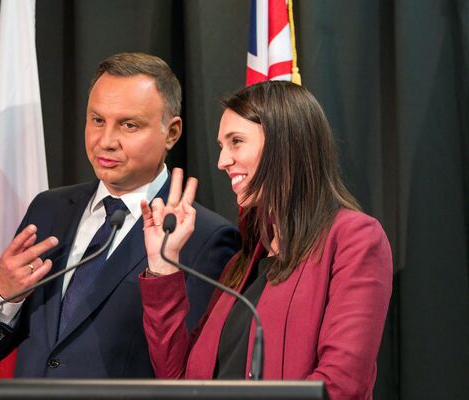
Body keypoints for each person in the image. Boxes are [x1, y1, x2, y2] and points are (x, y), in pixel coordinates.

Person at [0, 52, 240, 378]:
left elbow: (186, 373)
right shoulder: (49, 209)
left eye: (129, 125)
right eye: (97, 120)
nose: (105, 141)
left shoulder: (205, 237)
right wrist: (3, 293)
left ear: (172, 132)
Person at [139, 81, 393, 399]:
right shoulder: (242, 262)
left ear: (285, 144)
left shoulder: (355, 239)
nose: (222, 161)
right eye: (221, 146)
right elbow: (178, 380)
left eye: (236, 142)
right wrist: (163, 265)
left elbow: (341, 386)